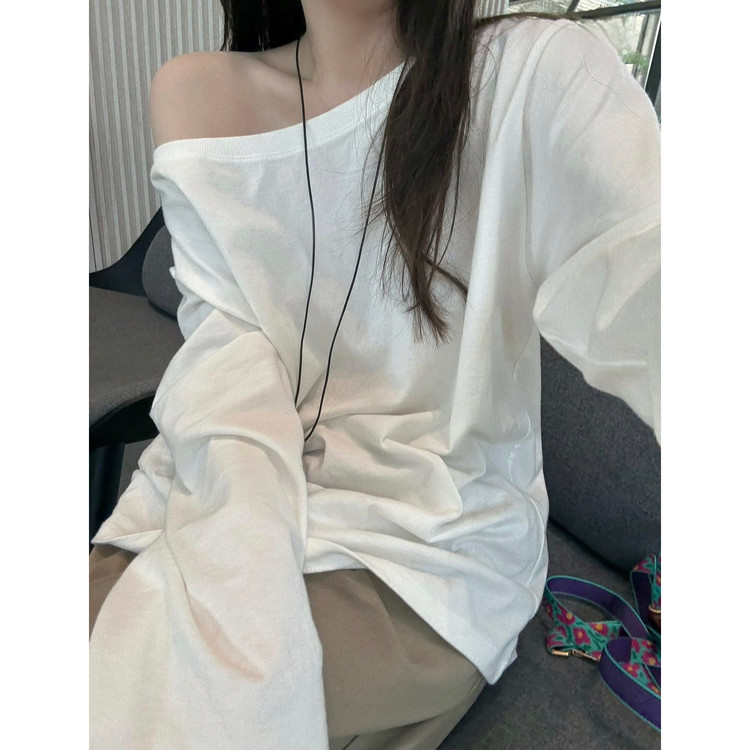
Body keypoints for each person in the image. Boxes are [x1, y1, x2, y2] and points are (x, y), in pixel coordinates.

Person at [89, 1, 661, 748]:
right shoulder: (195, 94)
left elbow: (651, 293)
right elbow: (223, 347)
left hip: (427, 554)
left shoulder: (536, 75)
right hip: (213, 487)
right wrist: (239, 538)